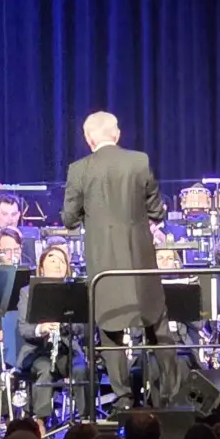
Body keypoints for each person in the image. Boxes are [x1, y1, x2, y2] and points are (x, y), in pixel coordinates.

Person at [61, 111, 182, 411]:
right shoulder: (138, 161)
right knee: (157, 324)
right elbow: (157, 210)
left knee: (110, 328)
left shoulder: (79, 169)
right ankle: (171, 395)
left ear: (89, 140)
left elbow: (69, 219)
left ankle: (125, 398)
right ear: (116, 135)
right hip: (140, 259)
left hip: (104, 264)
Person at [16, 245, 88, 423]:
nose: (58, 264)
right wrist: (42, 328)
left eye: (62, 261)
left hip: (66, 350)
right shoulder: (27, 292)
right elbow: (24, 329)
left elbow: (82, 328)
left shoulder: (74, 292)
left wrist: (65, 323)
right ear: (41, 266)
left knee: (81, 369)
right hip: (37, 352)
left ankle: (85, 419)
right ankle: (40, 420)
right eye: (52, 259)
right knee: (45, 369)